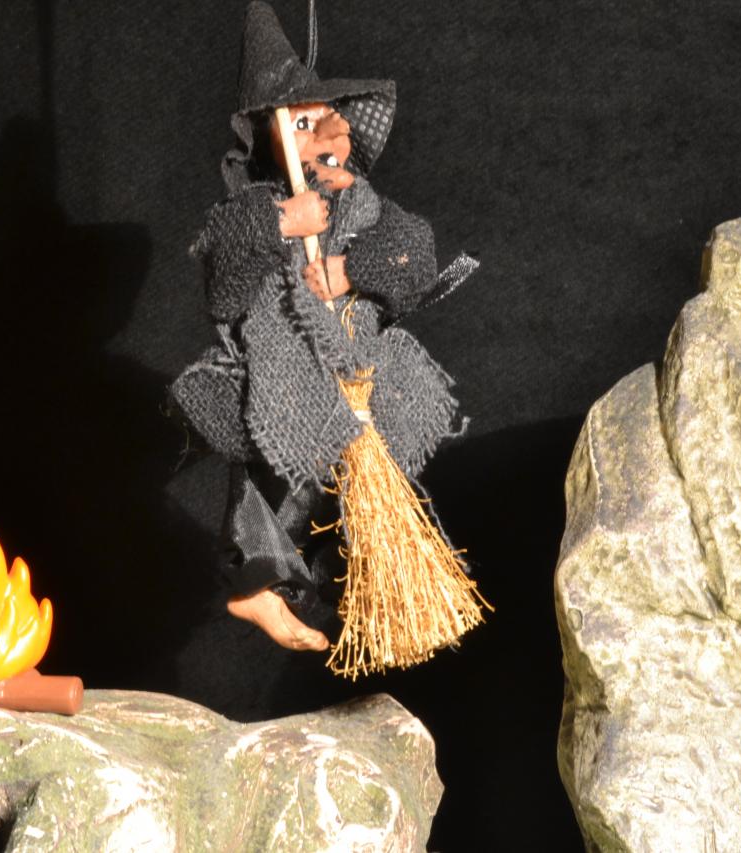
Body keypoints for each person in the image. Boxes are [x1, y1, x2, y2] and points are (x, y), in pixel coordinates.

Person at [170, 2, 476, 653]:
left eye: (330, 124)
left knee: (348, 490)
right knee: (272, 468)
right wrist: (283, 223)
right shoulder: (255, 207)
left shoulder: (364, 206)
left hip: (363, 377)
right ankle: (256, 581)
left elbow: (414, 257)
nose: (326, 137)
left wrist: (349, 270)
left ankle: (354, 591)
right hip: (288, 373)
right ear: (271, 138)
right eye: (303, 125)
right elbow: (224, 287)